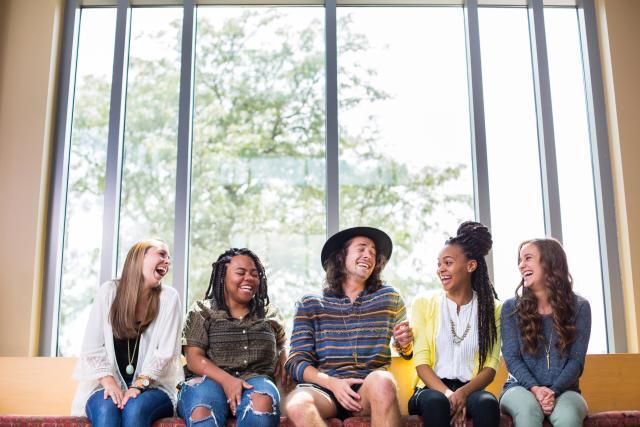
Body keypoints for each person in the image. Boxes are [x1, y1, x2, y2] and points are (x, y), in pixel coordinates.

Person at [284, 226, 413, 427]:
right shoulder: (310, 303)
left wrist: (404, 343)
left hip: (367, 389)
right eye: (361, 248)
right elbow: (295, 362)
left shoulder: (390, 297)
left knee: (383, 380)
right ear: (340, 256)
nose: (368, 255)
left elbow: (405, 350)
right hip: (326, 390)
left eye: (372, 252)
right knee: (296, 403)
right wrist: (332, 384)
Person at [71, 238, 183, 427]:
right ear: (139, 257)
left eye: (169, 258)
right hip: (105, 385)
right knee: (107, 408)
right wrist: (110, 383)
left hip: (153, 388)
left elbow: (166, 354)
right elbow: (92, 348)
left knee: (135, 408)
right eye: (161, 254)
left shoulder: (169, 298)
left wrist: (137, 386)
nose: (167, 261)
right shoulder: (108, 292)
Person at [177, 248, 286, 427]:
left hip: (256, 379)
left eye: (254, 274)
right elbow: (193, 358)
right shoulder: (202, 311)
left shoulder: (270, 313)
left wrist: (283, 355)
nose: (249, 278)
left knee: (261, 404)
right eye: (240, 273)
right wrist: (228, 381)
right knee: (202, 412)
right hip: (208, 381)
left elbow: (281, 342)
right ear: (222, 276)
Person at [409, 221, 501, 427]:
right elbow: (421, 362)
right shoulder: (423, 303)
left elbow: (490, 366)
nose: (441, 269)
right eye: (439, 264)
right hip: (430, 390)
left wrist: (463, 393)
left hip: (471, 390)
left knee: (488, 403)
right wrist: (449, 394)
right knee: (436, 402)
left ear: (470, 266)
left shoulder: (493, 308)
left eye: (448, 263)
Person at [500, 238, 591, 427]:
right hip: (519, 387)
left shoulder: (580, 307)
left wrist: (554, 390)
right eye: (519, 259)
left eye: (527, 258)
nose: (520, 265)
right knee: (528, 412)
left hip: (566, 390)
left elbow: (576, 361)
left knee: (568, 417)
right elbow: (512, 358)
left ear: (549, 262)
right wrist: (535, 389)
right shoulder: (511, 308)